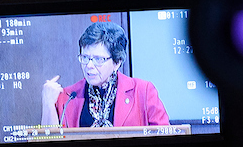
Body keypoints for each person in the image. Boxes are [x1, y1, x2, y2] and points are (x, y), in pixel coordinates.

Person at [40, 21, 169, 128]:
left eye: (98, 59)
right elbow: (48, 146)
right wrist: (48, 105)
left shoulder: (143, 91)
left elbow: (165, 138)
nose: (89, 65)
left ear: (117, 63)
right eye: (85, 57)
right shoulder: (68, 97)